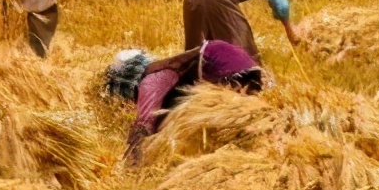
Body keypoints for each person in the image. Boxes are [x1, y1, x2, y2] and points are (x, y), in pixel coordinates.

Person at [104, 40, 263, 163]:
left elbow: (143, 126)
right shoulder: (171, 70)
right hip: (249, 67)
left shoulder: (151, 81)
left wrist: (130, 165)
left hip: (225, 70)